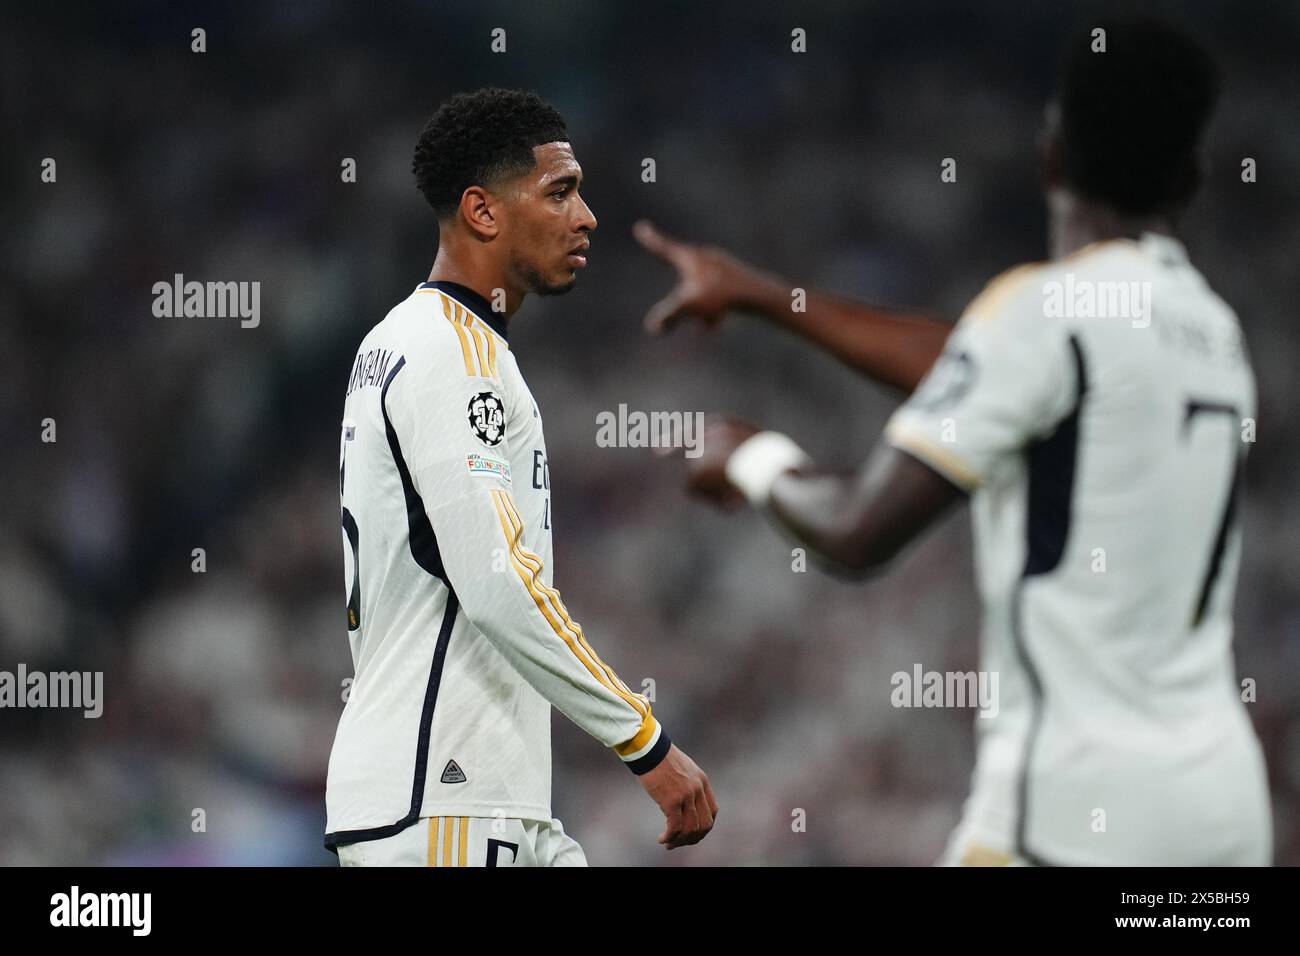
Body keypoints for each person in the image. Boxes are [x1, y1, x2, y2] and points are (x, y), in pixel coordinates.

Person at [636, 18, 1269, 866]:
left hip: (1076, 806)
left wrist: (751, 458)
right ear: (1190, 178)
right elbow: (986, 374)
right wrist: (761, 293)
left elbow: (856, 531)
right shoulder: (1214, 331)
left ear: (1051, 157)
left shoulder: (1041, 313)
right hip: (1223, 807)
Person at [326, 87, 717, 866]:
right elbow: (500, 582)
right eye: (560, 191)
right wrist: (646, 741)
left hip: (475, 796)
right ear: (482, 211)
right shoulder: (451, 355)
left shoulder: (415, 342)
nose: (587, 216)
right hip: (443, 801)